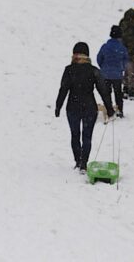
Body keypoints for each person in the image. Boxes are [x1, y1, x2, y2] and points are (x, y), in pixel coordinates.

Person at [55, 42, 115, 173]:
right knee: (87, 136)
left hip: (73, 107)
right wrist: (109, 108)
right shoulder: (94, 70)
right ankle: (84, 163)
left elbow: (63, 89)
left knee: (75, 135)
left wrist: (58, 106)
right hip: (89, 107)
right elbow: (103, 90)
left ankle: (78, 160)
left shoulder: (69, 70)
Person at [97, 26, 129, 118]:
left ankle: (109, 109)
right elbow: (126, 60)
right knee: (118, 93)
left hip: (105, 74)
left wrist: (103, 67)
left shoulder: (105, 46)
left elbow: (99, 58)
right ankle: (120, 110)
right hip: (117, 75)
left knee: (106, 93)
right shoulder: (122, 48)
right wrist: (121, 68)